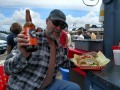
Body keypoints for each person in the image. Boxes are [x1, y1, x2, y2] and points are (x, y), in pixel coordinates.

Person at [4, 9, 80, 90]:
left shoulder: (59, 46)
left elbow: (66, 62)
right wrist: (23, 55)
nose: (58, 28)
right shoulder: (32, 39)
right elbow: (7, 69)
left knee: (74, 87)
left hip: (49, 85)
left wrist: (86, 58)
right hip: (25, 86)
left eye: (62, 26)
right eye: (56, 23)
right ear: (47, 21)